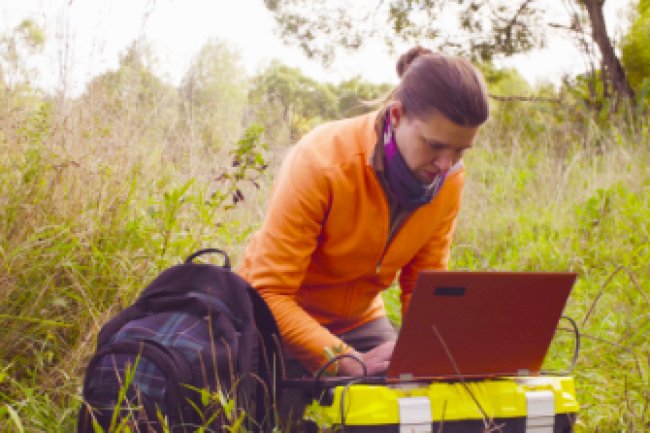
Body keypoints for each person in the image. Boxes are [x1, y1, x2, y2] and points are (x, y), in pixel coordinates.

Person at [237, 46, 489, 415]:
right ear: (398, 115)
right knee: (275, 419)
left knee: (411, 410)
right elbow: (270, 294)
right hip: (277, 323)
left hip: (360, 320)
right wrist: (350, 362)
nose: (445, 164)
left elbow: (423, 285)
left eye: (460, 151)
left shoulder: (449, 179)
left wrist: (436, 357)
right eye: (435, 146)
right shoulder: (322, 161)